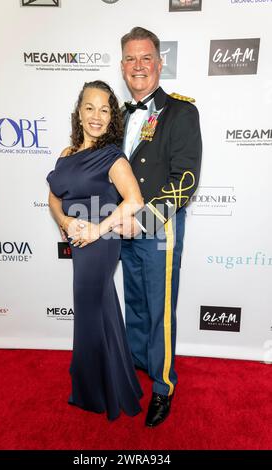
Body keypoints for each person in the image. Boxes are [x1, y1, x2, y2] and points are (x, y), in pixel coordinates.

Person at [115, 27, 202, 427]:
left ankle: (164, 387)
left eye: (146, 57)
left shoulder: (181, 112)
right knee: (134, 304)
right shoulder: (116, 115)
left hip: (157, 231)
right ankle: (138, 367)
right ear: (122, 65)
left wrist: (143, 222)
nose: (138, 66)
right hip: (122, 228)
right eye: (131, 58)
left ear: (160, 62)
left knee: (160, 313)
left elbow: (185, 179)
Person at [46, 80, 144, 421]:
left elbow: (135, 201)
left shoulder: (112, 157)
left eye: (104, 109)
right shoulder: (66, 154)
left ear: (111, 117)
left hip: (101, 243)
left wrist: (95, 230)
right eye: (90, 107)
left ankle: (92, 393)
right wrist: (64, 221)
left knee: (88, 314)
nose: (96, 116)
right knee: (101, 310)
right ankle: (116, 384)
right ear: (79, 112)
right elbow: (54, 196)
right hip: (78, 238)